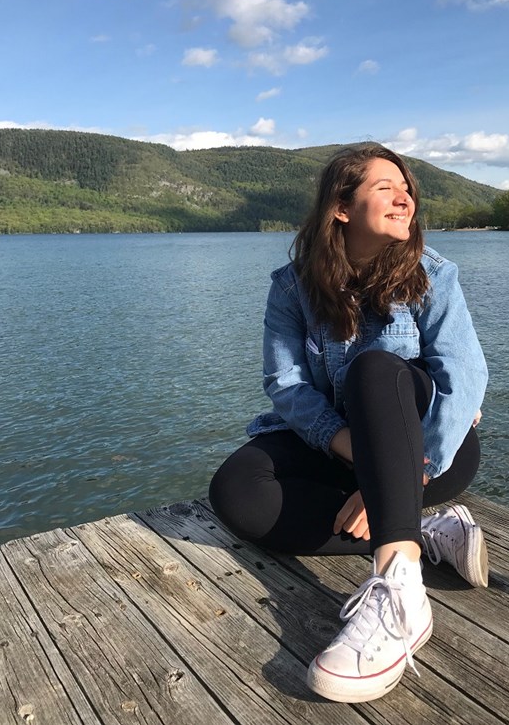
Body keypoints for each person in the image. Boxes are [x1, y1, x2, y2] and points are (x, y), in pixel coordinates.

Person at [209, 144, 489, 704]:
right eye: (386, 186)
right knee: (237, 493)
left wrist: (397, 475)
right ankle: (425, 533)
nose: (404, 195)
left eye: (406, 187)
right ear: (341, 206)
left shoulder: (433, 277)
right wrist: (366, 466)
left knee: (375, 370)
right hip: (337, 446)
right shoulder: (292, 286)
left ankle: (402, 590)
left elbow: (465, 382)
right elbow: (285, 384)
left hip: (434, 451)